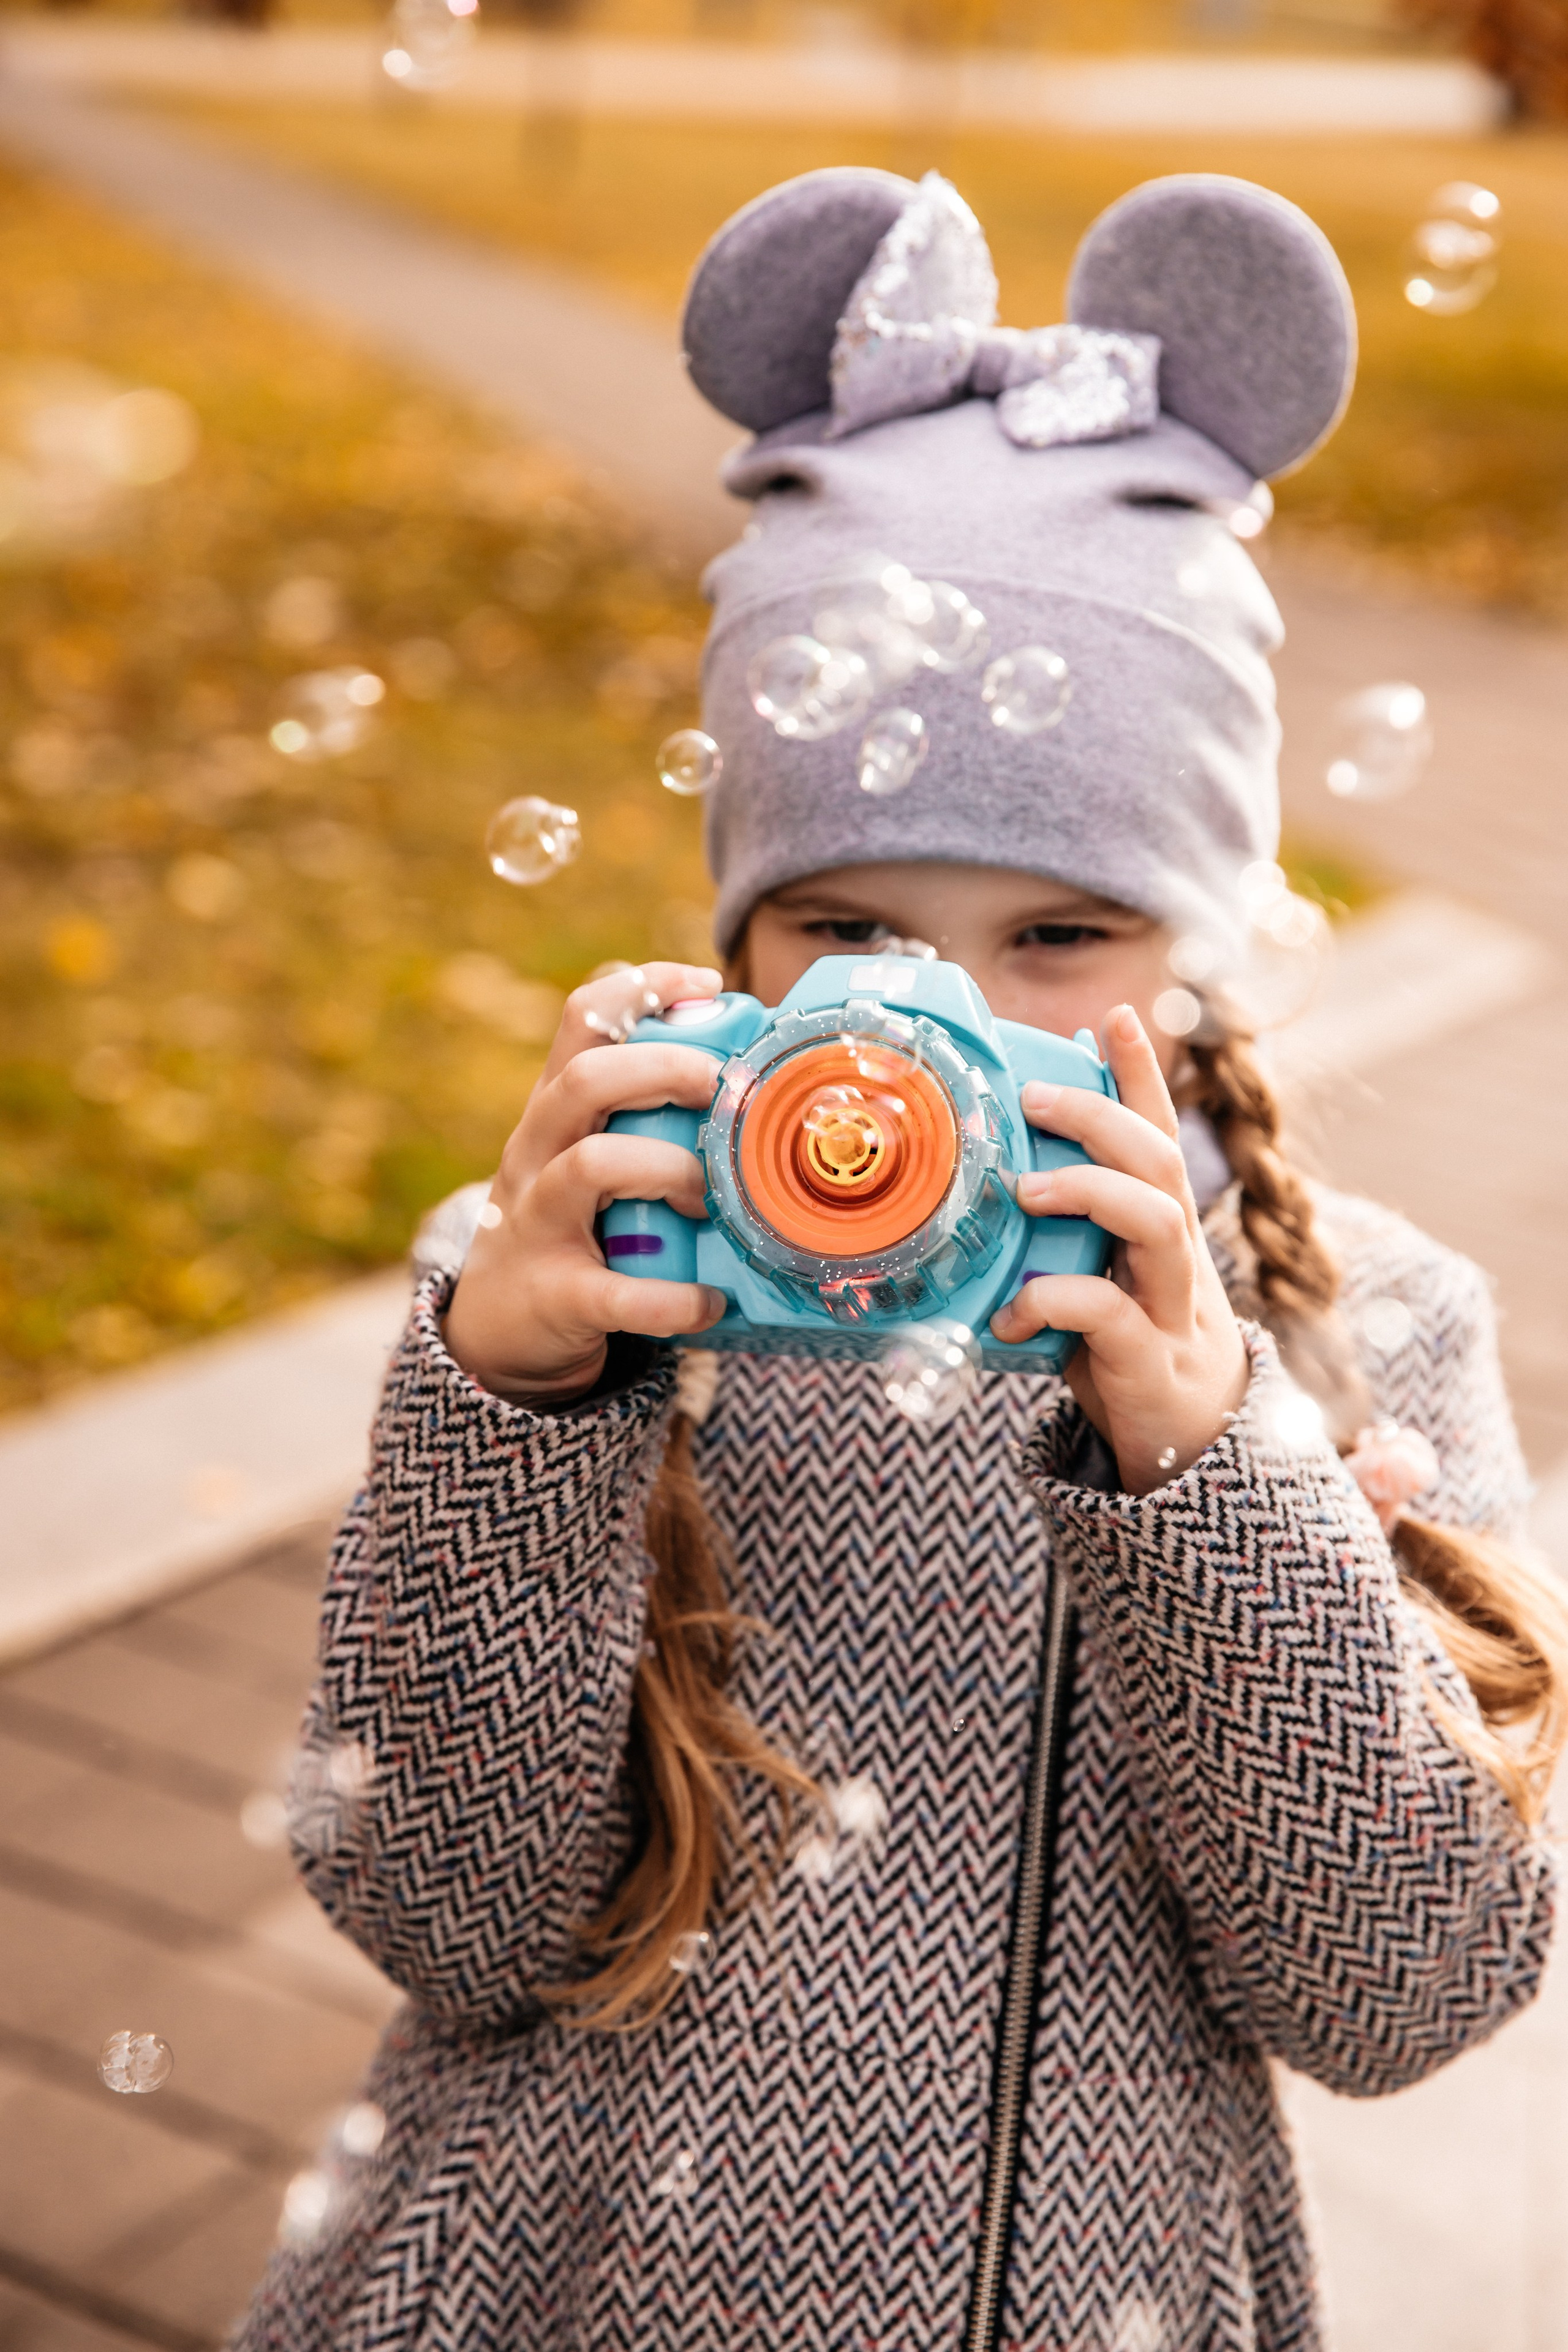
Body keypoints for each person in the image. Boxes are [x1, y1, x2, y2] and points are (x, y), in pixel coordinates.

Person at [237, 170, 1567, 2352]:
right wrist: (519, 1404)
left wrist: (1220, 1469)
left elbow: (1408, 1993)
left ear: (1210, 957)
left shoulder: (1357, 1337)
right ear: (731, 947)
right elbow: (437, 1917)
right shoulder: (600, 1283)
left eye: (1060, 937)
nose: (934, 1029)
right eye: (852, 936)